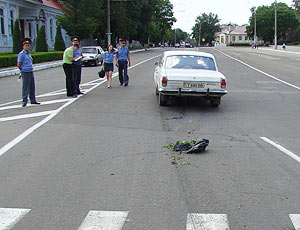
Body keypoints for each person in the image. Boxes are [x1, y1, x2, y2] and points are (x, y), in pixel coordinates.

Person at [17, 38, 40, 107]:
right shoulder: (21, 54)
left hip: (30, 71)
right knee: (25, 87)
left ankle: (33, 100)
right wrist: (22, 69)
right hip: (25, 72)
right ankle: (24, 101)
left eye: (28, 45)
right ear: (23, 46)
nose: (27, 46)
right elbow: (19, 64)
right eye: (26, 45)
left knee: (32, 86)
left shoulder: (28, 54)